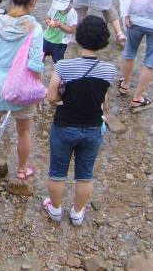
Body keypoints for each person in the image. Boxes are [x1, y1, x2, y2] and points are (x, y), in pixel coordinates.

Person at [43, 16, 117, 225]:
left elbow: (51, 97)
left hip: (64, 126)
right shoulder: (109, 70)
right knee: (85, 174)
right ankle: (77, 213)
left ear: (79, 37)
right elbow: (103, 100)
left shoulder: (64, 67)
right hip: (93, 128)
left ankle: (55, 210)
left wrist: (62, 99)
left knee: (57, 172)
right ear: (104, 40)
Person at [0, 0, 44, 181]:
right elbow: (35, 64)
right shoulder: (35, 28)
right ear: (32, 1)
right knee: (24, 132)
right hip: (21, 85)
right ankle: (22, 169)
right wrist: (38, 85)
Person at [43, 0, 78, 64]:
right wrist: (48, 22)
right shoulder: (54, 7)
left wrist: (60, 25)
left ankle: (58, 75)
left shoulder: (72, 13)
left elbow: (72, 30)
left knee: (58, 62)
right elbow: (48, 18)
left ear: (70, 1)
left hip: (60, 44)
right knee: (40, 56)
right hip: (46, 38)